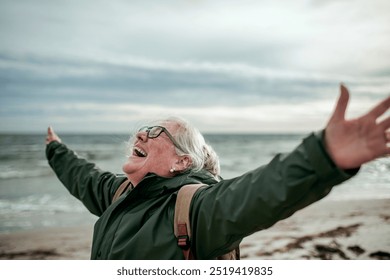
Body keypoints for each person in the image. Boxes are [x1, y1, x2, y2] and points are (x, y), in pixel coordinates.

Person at [46, 85, 390, 259]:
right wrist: (55, 149)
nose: (141, 134)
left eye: (155, 132)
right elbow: (82, 176)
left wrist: (324, 156)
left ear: (181, 162)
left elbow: (259, 192)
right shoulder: (119, 194)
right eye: (143, 128)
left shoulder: (198, 209)